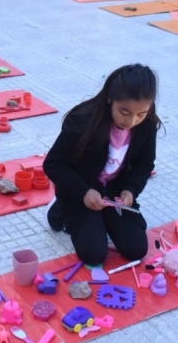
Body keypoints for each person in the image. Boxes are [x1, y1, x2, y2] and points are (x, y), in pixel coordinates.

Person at [43, 64, 160, 266]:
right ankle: (58, 210)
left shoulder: (147, 124)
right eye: (124, 112)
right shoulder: (82, 121)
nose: (132, 121)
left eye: (141, 114)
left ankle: (103, 216)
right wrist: (84, 192)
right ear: (109, 99)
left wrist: (131, 190)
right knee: (94, 254)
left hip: (114, 193)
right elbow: (54, 164)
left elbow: (145, 163)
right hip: (80, 190)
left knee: (136, 249)